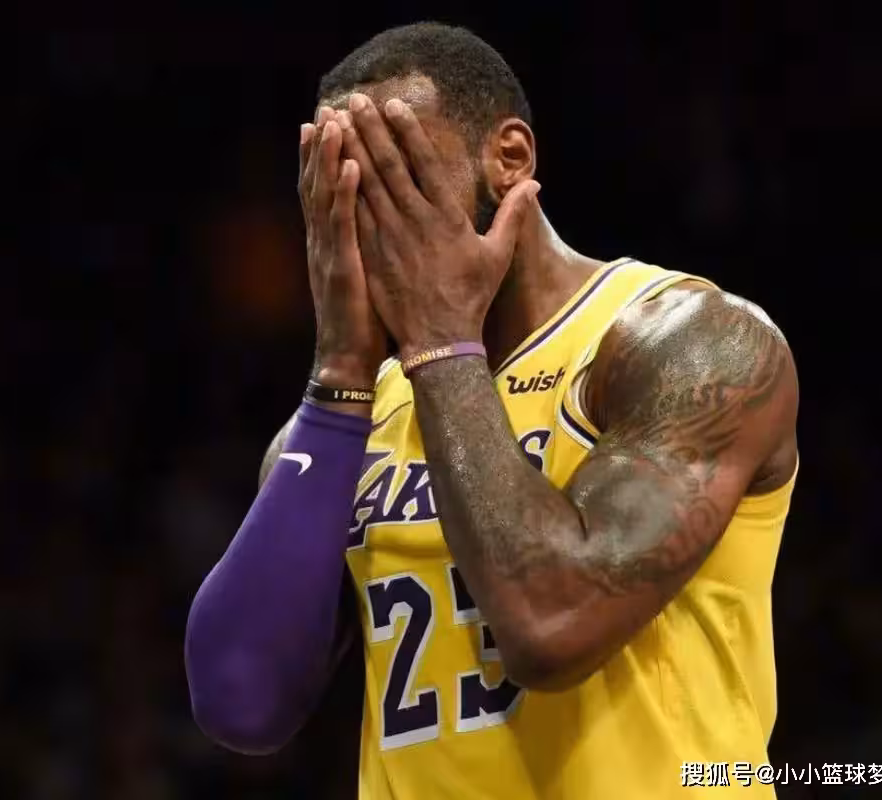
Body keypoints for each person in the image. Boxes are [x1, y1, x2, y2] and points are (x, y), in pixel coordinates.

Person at [185, 22, 799, 800]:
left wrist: (442, 342)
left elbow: (552, 625)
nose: (369, 213)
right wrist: (340, 370)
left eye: (398, 171)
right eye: (341, 186)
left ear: (509, 158)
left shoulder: (688, 344)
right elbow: (242, 703)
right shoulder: (354, 414)